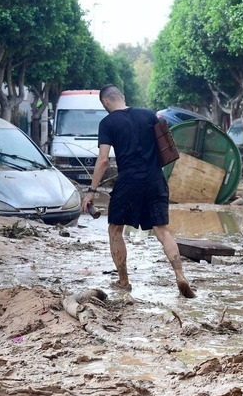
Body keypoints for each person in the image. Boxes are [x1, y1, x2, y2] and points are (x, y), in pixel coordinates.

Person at [81, 84, 196, 298]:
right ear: (122, 97)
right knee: (162, 231)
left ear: (105, 102)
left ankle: (124, 281)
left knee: (116, 230)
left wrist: (91, 191)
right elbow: (167, 147)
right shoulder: (149, 115)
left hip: (128, 182)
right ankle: (180, 275)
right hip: (155, 179)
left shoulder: (107, 123)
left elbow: (104, 160)